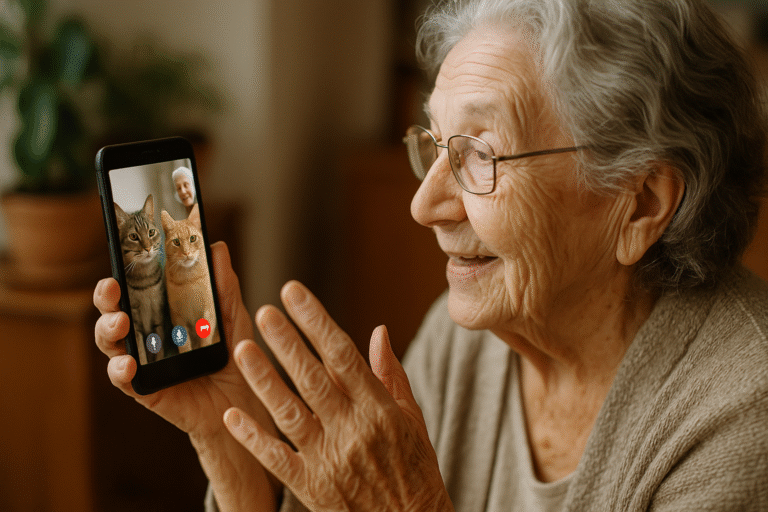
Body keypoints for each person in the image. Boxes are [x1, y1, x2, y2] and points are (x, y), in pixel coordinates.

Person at [94, 0, 768, 510]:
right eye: (435, 144)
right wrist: (226, 436)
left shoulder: (741, 415)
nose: (424, 205)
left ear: (642, 203)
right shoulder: (463, 339)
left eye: (480, 154)